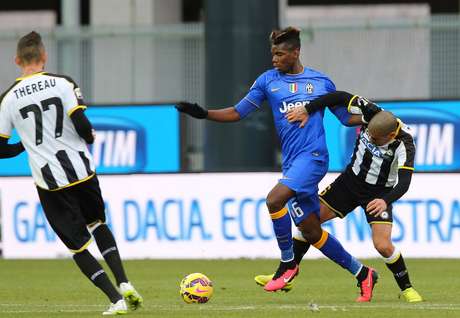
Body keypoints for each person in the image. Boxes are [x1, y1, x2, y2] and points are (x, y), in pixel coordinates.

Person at [176, 27, 378, 300]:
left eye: (280, 54)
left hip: (314, 158)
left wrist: (371, 117)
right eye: (272, 54)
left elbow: (345, 118)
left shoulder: (320, 82)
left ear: (296, 53)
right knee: (311, 230)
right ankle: (363, 273)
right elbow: (238, 112)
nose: (274, 59)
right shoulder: (267, 81)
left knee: (274, 200)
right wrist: (203, 114)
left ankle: (287, 265)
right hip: (292, 163)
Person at [0, 31, 143, 315]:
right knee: (98, 224)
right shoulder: (63, 83)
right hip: (82, 171)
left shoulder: (7, 100)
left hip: (50, 182)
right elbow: (80, 122)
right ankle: (125, 282)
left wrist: (23, 147)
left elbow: (0, 148)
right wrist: (88, 137)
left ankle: (115, 300)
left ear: (17, 60)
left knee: (78, 248)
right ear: (44, 57)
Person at [255, 91, 423, 302]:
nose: (369, 138)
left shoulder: (404, 143)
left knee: (382, 244)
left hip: (379, 193)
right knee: (308, 223)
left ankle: (407, 288)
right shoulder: (372, 112)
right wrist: (309, 108)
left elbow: (405, 183)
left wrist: (385, 200)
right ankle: (286, 274)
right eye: (368, 134)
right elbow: (337, 96)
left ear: (390, 136)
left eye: (375, 139)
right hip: (349, 183)